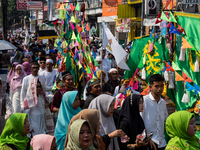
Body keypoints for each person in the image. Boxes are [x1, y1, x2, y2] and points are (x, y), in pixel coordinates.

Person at [141, 74, 168, 150]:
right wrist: (146, 139)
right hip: (149, 143)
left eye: (161, 86)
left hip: (162, 142)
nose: (160, 89)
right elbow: (140, 122)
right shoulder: (144, 101)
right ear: (150, 87)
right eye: (156, 86)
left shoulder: (163, 102)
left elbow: (166, 120)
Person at [20, 61, 46, 136]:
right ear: (30, 68)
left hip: (40, 102)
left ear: (39, 68)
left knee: (41, 119)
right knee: (32, 121)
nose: (35, 69)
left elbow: (43, 89)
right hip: (30, 104)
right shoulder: (26, 79)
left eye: (36, 67)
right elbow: (23, 93)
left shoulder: (42, 78)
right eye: (33, 68)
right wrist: (22, 105)